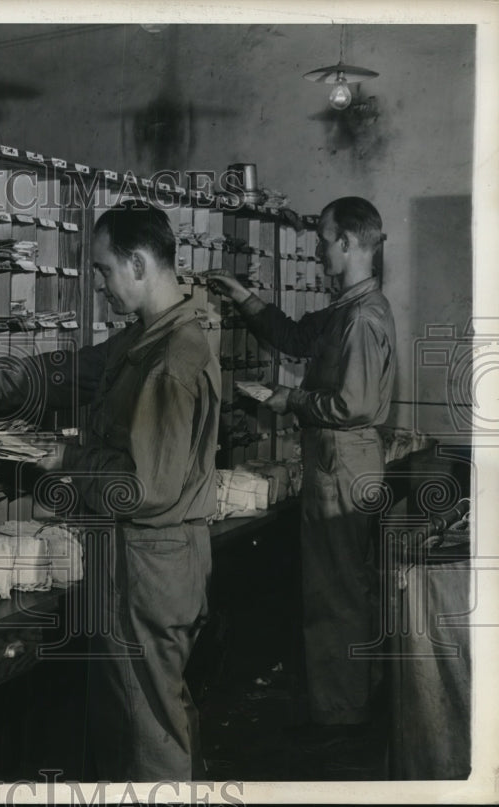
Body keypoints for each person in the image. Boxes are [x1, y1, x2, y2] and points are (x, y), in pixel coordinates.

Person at [0, 202, 221, 781]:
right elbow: (71, 372)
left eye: (105, 270)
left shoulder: (169, 360)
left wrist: (63, 457)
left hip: (148, 564)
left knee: (144, 728)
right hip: (148, 559)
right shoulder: (147, 340)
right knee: (146, 714)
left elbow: (143, 487)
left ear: (137, 264)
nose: (101, 286)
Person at [206, 196, 396, 739]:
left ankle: (342, 716)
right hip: (339, 460)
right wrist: (244, 297)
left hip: (344, 460)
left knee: (335, 591)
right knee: (341, 585)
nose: (317, 251)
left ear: (346, 242)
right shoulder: (347, 308)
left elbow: (351, 405)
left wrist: (287, 398)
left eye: (322, 238)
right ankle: (349, 700)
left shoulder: (361, 317)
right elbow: (294, 337)